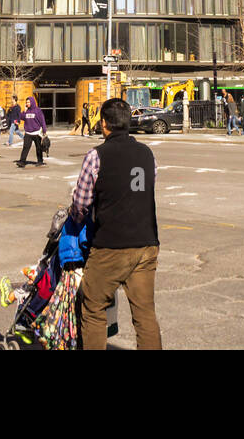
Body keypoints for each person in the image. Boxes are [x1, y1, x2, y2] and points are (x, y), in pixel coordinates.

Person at [71, 98, 162, 350]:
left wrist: (75, 219)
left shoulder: (96, 156)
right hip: (146, 243)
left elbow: (81, 203)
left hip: (111, 246)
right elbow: (150, 184)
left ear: (103, 124)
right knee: (145, 314)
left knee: (93, 306)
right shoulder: (147, 154)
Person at [17, 96, 48, 167]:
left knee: (38, 148)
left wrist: (44, 130)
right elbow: (21, 117)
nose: (27, 104)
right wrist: (24, 111)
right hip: (28, 132)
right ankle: (22, 162)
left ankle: (40, 161)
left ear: (32, 102)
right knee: (25, 147)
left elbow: (42, 120)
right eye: (26, 102)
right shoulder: (26, 110)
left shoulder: (38, 110)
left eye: (28, 102)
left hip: (36, 132)